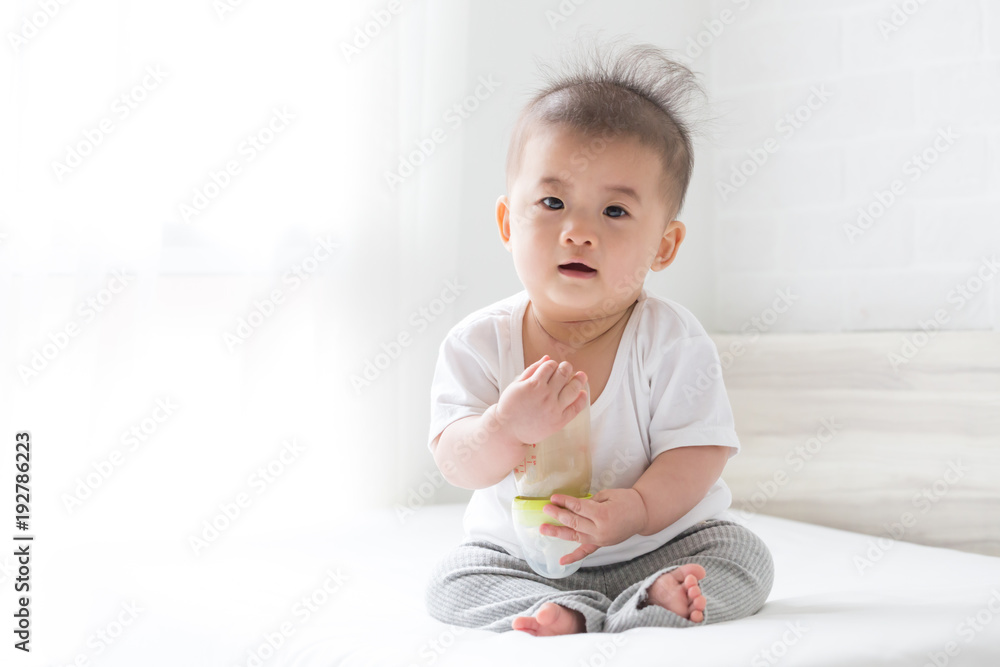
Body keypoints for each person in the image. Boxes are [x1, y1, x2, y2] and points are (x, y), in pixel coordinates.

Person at [423, 33, 773, 635]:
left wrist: (636, 510)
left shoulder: (671, 340)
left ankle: (645, 595)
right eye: (553, 202)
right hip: (526, 557)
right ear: (509, 221)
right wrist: (503, 429)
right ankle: (573, 612)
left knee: (745, 558)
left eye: (614, 212)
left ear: (664, 244)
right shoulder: (479, 343)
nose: (578, 231)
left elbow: (699, 452)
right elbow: (457, 462)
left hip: (658, 543)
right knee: (450, 582)